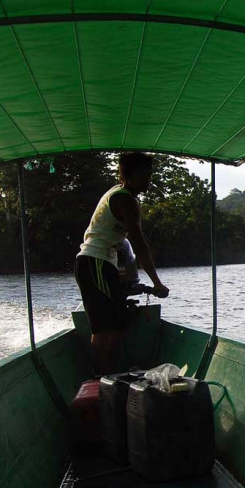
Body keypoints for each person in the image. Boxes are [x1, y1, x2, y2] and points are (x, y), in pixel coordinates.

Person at [75, 153, 169, 375]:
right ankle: (103, 380)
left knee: (117, 325)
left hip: (102, 263)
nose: (148, 179)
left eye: (150, 174)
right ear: (127, 175)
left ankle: (110, 375)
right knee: (105, 327)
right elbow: (139, 244)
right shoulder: (123, 198)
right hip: (95, 261)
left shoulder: (123, 194)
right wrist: (157, 283)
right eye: (143, 175)